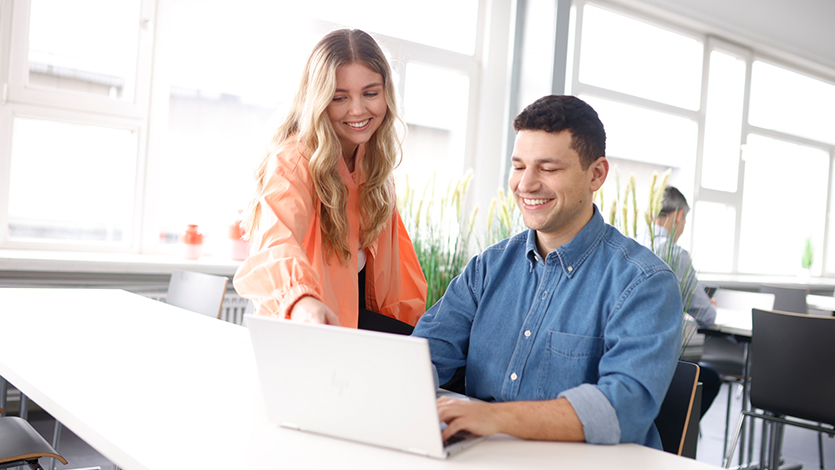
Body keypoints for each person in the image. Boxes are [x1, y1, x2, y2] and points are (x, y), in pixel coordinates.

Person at [412, 95, 683, 449]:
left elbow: (622, 408)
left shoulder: (644, 283)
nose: (526, 184)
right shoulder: (487, 268)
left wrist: (492, 419)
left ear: (596, 174)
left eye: (548, 168)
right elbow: (422, 357)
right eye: (518, 166)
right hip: (487, 454)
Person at [233, 29, 427, 333]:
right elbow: (275, 240)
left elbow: (398, 276)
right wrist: (300, 299)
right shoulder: (293, 161)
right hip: (315, 328)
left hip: (358, 327)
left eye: (371, 93)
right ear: (319, 101)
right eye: (340, 97)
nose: (358, 110)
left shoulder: (374, 168)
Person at [647, 186, 721, 419]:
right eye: (685, 220)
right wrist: (705, 303)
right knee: (710, 379)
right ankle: (677, 438)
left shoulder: (629, 242)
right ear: (679, 216)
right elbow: (707, 316)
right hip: (657, 366)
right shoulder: (675, 254)